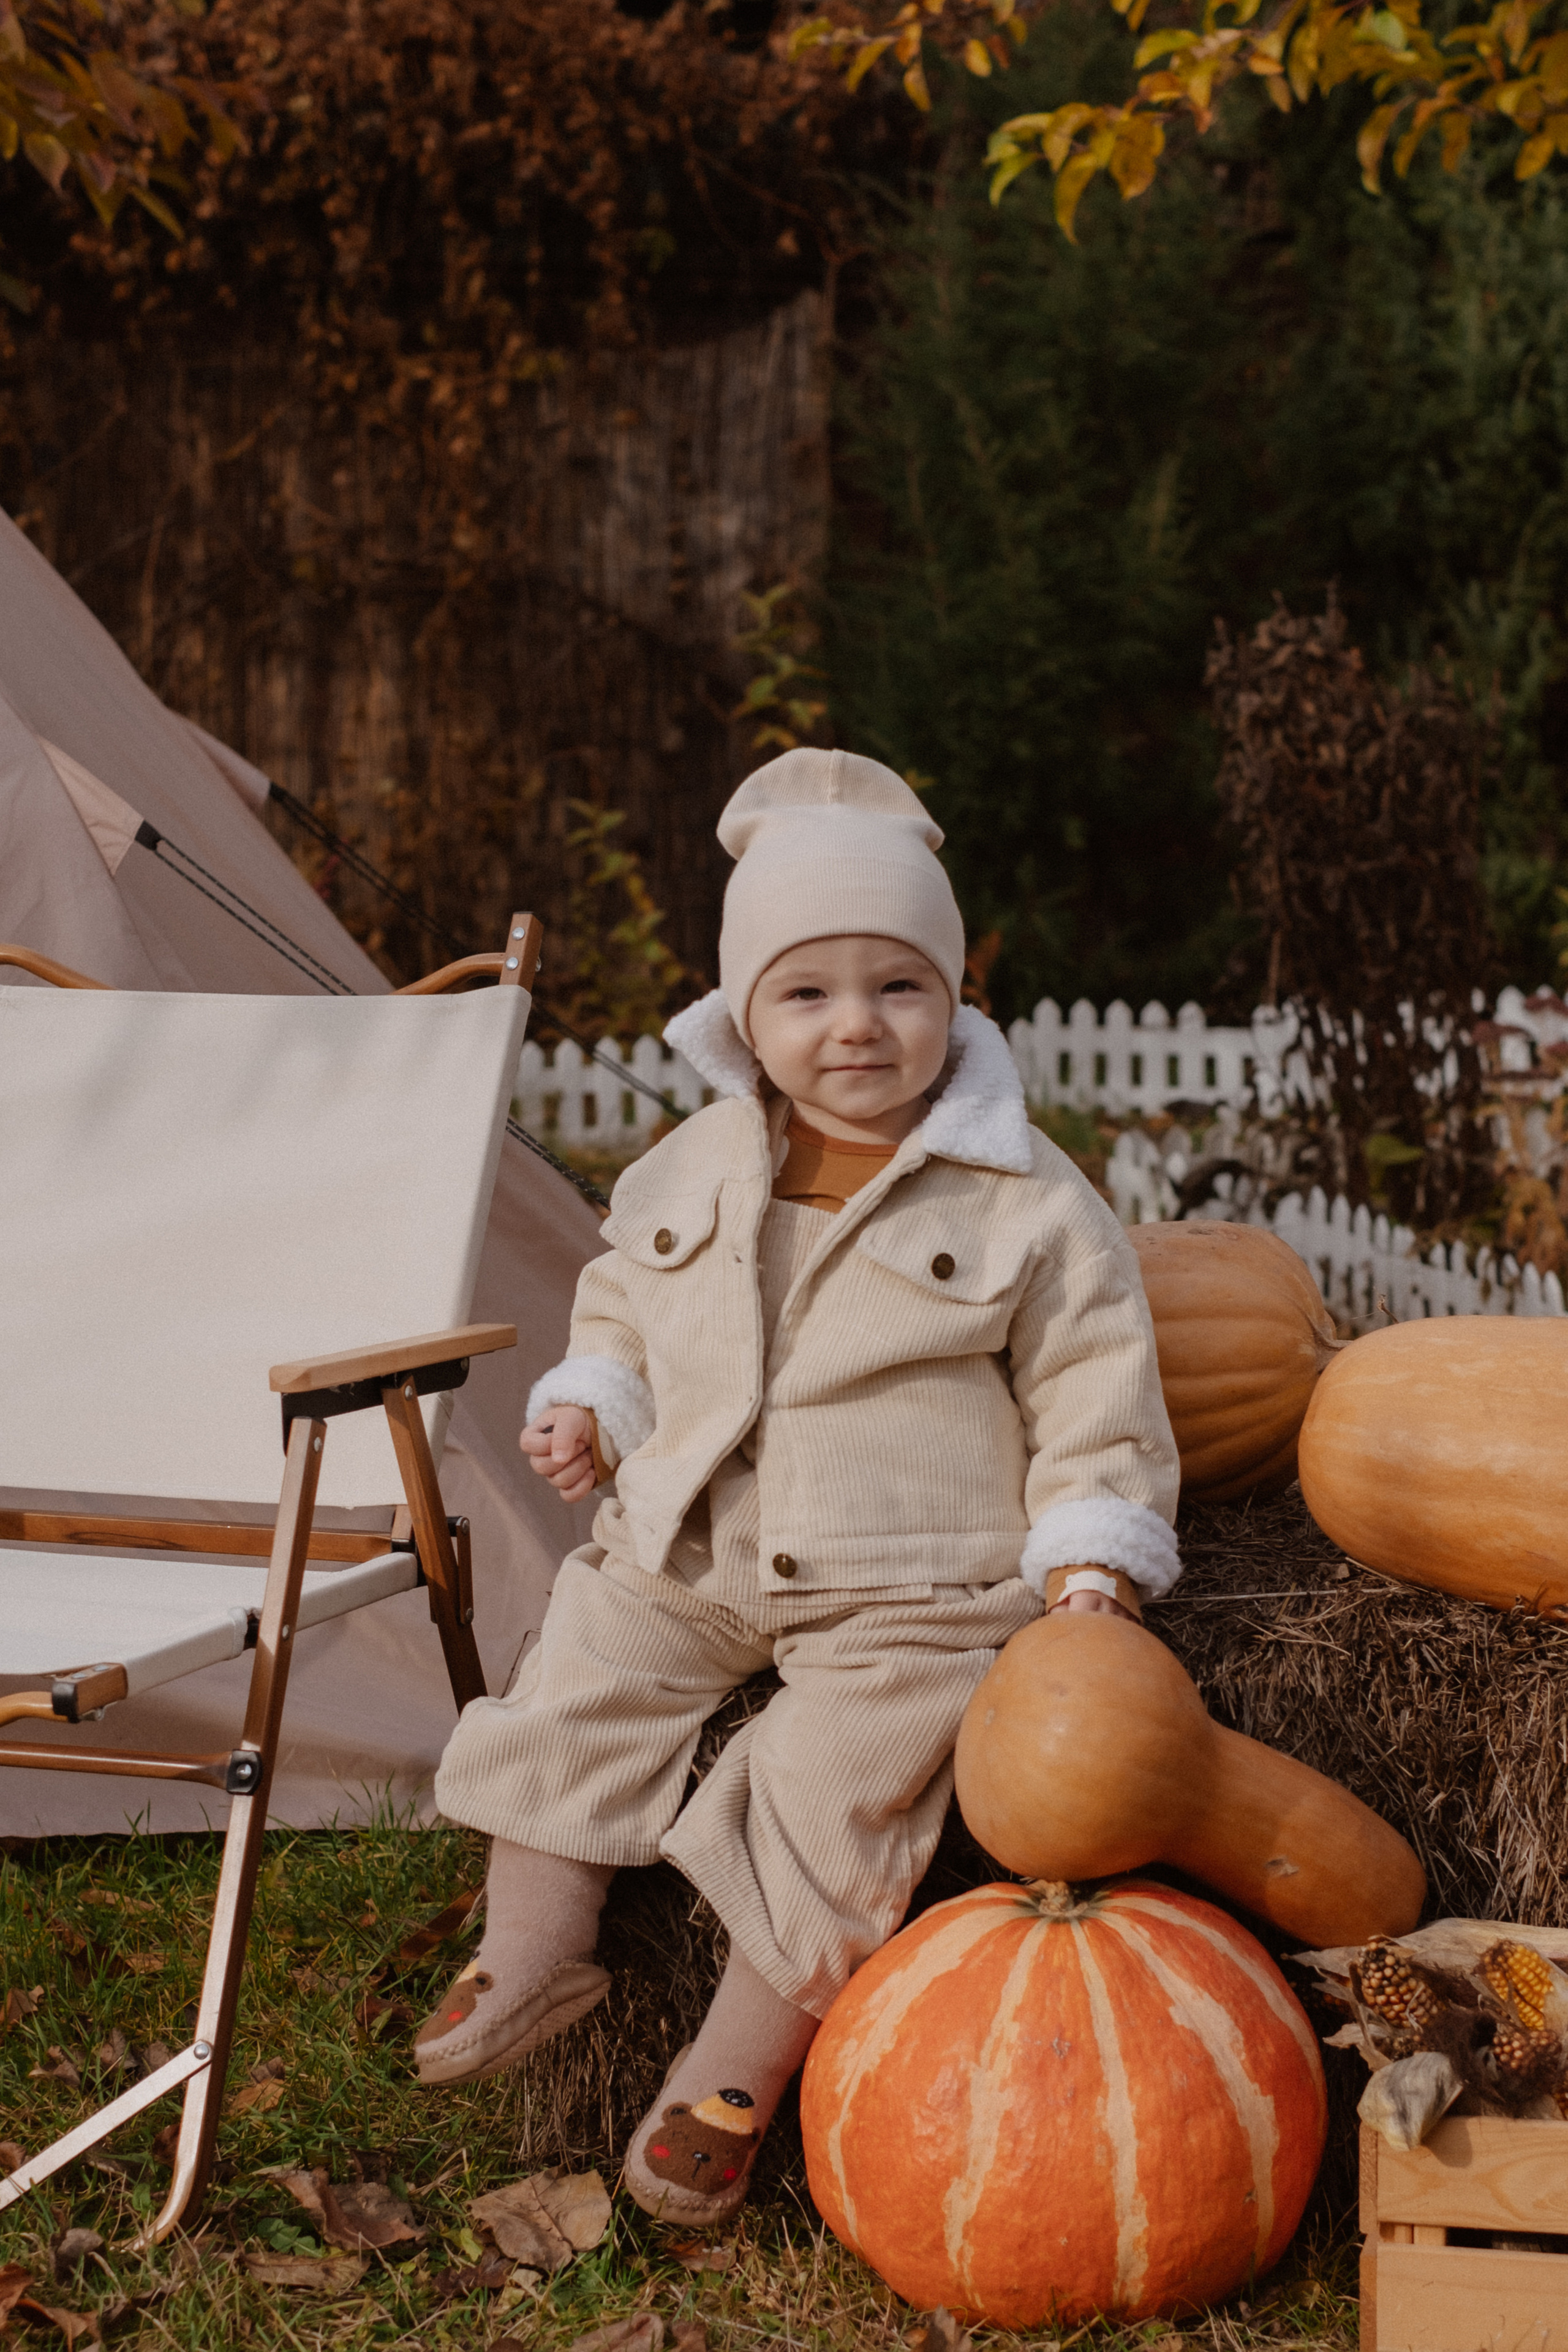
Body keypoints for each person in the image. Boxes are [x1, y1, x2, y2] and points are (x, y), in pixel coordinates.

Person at [420, 748, 1181, 2225]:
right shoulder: (689, 1167)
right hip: (697, 1537)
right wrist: (595, 1401)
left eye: (898, 986)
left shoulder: (1026, 1197)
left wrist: (1089, 1561)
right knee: (575, 1675)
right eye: (807, 993)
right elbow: (627, 1309)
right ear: (743, 1015)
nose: (855, 1028)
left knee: (841, 1785)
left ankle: (729, 2076)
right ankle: (531, 1945)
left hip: (912, 1574)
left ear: (956, 997)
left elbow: (1097, 1386)